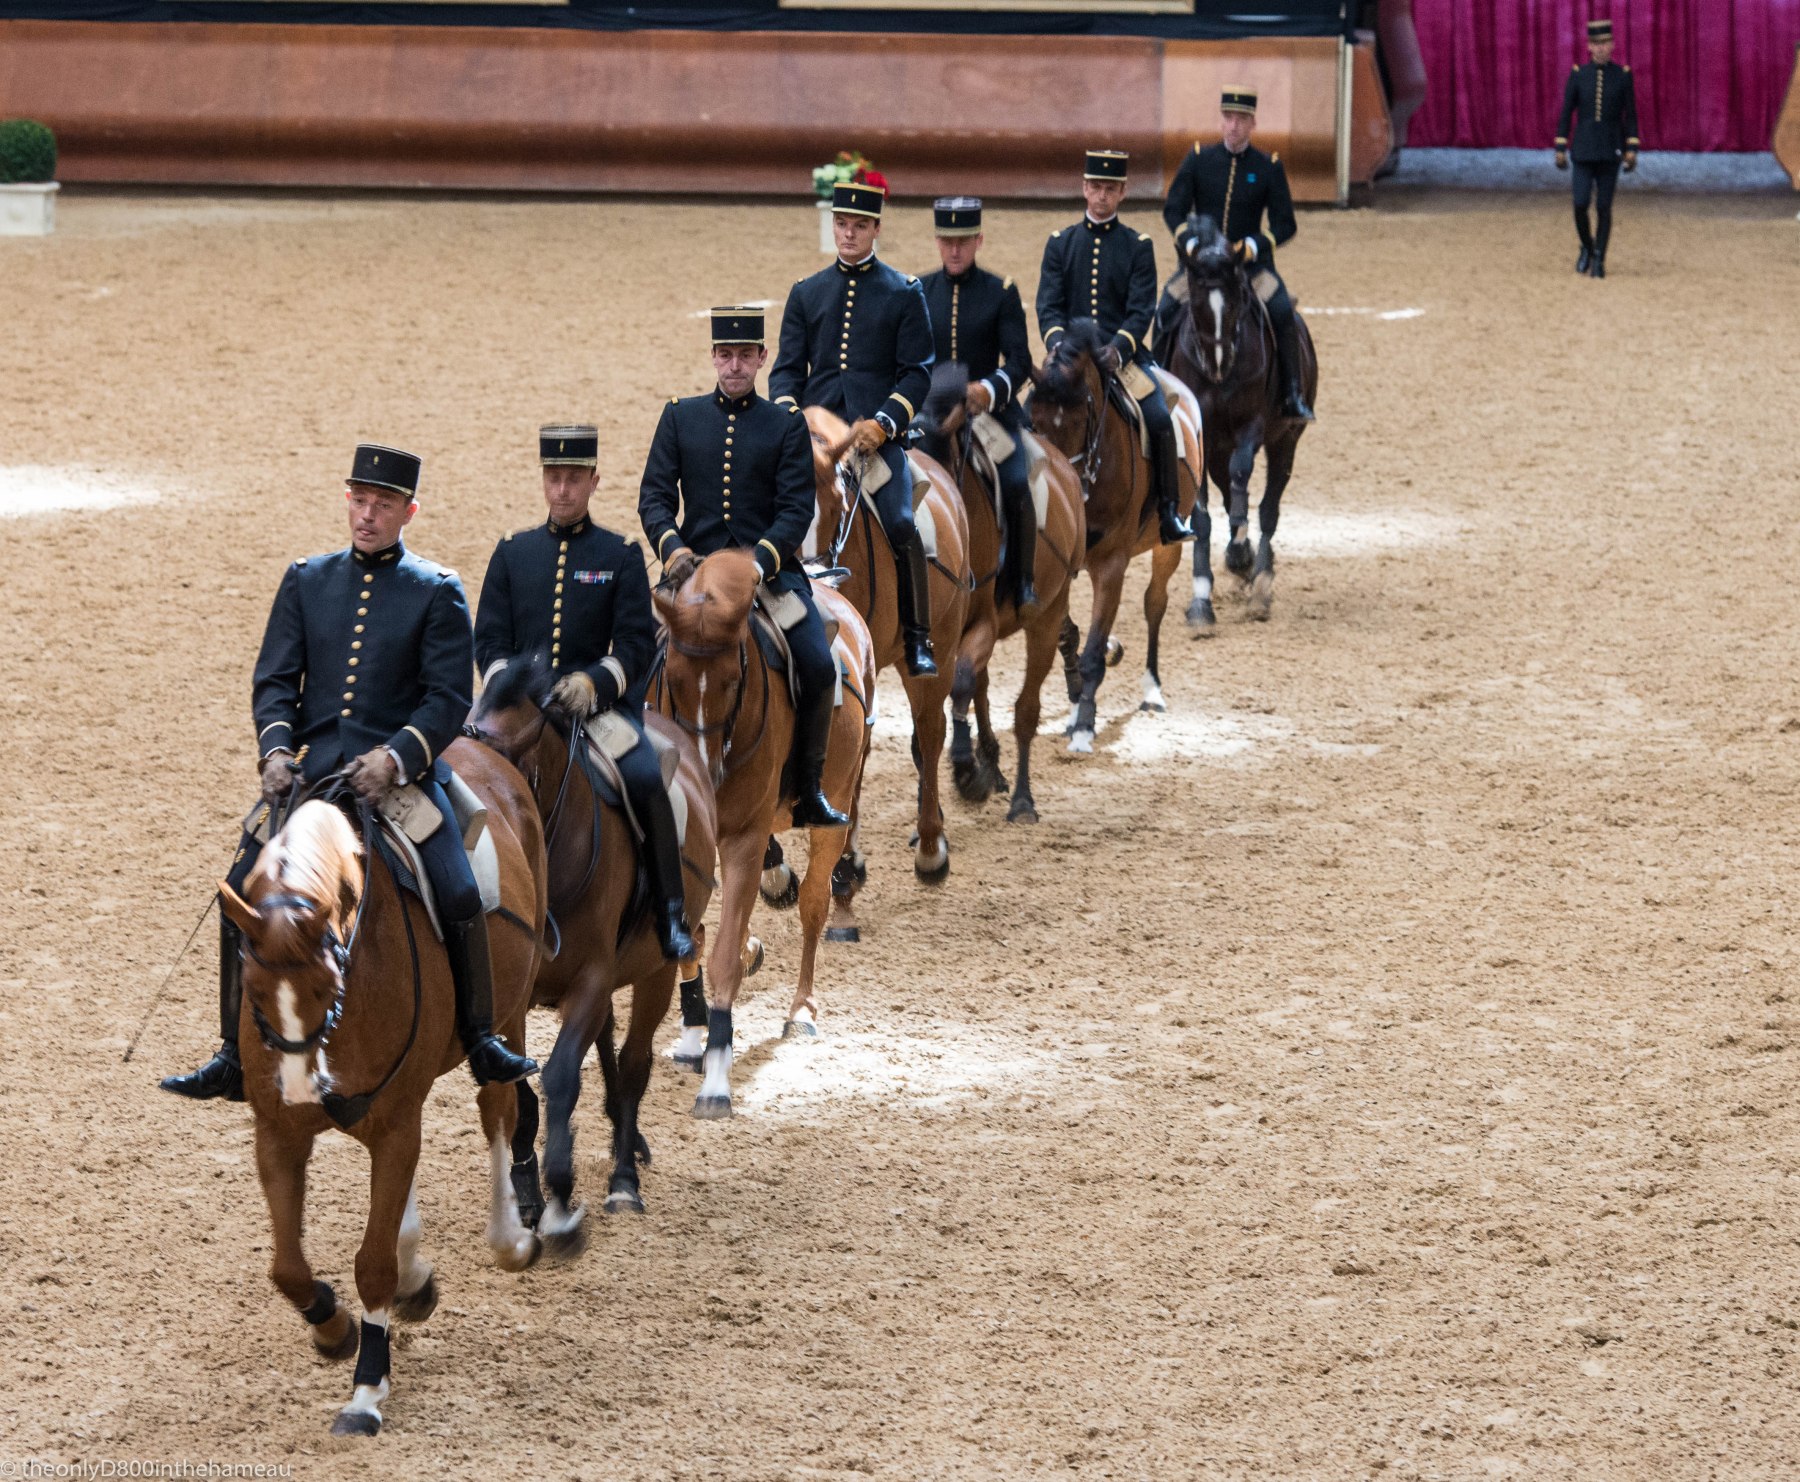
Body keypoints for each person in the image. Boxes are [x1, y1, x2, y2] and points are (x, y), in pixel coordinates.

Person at [162, 444, 537, 1101]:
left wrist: (395, 756)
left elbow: (447, 697)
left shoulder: (436, 590)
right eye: (359, 501)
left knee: (458, 888)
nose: (367, 515)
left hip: (399, 778)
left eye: (383, 505)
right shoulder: (307, 580)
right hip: (310, 779)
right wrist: (276, 752)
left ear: (408, 512)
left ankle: (480, 1035)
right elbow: (276, 682)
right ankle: (230, 1052)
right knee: (240, 894)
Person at [474, 424, 693, 961]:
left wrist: (593, 682)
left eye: (574, 479)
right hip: (521, 707)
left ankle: (669, 912)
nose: (562, 490)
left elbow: (636, 645)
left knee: (646, 779)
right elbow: (490, 640)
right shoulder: (513, 553)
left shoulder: (620, 554)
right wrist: (514, 688)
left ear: (594, 481)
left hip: (595, 711)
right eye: (554, 478)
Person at [640, 306, 850, 830]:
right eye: (726, 355)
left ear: (762, 359)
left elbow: (796, 511)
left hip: (770, 577)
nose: (734, 365)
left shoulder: (784, 424)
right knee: (632, 655)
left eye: (745, 356)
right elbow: (655, 499)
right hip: (691, 573)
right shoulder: (679, 417)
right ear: (714, 357)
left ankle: (807, 788)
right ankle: (635, 779)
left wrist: (760, 565)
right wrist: (674, 550)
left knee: (818, 665)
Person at [770, 179, 939, 675]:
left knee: (902, 523)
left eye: (859, 226)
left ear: (875, 229)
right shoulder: (807, 292)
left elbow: (917, 374)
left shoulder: (904, 292)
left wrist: (885, 422)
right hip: (815, 439)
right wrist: (792, 422)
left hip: (873, 441)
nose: (848, 233)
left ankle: (917, 636)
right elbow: (786, 372)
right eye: (842, 224)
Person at [1036, 149, 1193, 545]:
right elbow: (1049, 306)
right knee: (1028, 416)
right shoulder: (1060, 244)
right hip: (1070, 359)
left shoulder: (1137, 246)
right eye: (1096, 187)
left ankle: (1169, 511)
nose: (1102, 195)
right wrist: (1058, 346)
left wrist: (1120, 349)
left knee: (1159, 417)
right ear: (1084, 189)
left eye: (1110, 188)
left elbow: (1141, 310)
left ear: (1122, 192)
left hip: (1122, 359)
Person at [1160, 85, 1315, 422]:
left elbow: (1285, 224)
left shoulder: (1268, 166)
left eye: (1241, 120)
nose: (1233, 126)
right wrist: (1191, 245)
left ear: (1252, 124)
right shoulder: (1199, 159)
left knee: (1282, 312)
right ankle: (1159, 389)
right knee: (1165, 310)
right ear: (1221, 121)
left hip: (1249, 268)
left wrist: (1253, 246)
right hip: (1202, 268)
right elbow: (1173, 211)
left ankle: (1291, 393)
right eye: (1229, 118)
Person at [919, 195, 1040, 615]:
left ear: (979, 241)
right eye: (948, 242)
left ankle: (1022, 580)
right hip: (930, 412)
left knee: (1017, 480)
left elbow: (1019, 361)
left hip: (988, 413)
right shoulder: (919, 291)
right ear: (938, 241)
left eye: (964, 242)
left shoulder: (1001, 292)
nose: (955, 250)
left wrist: (987, 390)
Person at [1555, 18, 1639, 279]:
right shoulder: (1579, 74)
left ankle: (1600, 258)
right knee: (1580, 203)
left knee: (1604, 206)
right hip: (1583, 149)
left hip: (1610, 149)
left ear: (1612, 45)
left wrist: (1632, 147)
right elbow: (1566, 112)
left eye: (1606, 43)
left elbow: (1631, 115)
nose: (1601, 48)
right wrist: (1560, 144)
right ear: (1589, 47)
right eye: (1596, 43)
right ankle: (1587, 247)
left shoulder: (1622, 75)